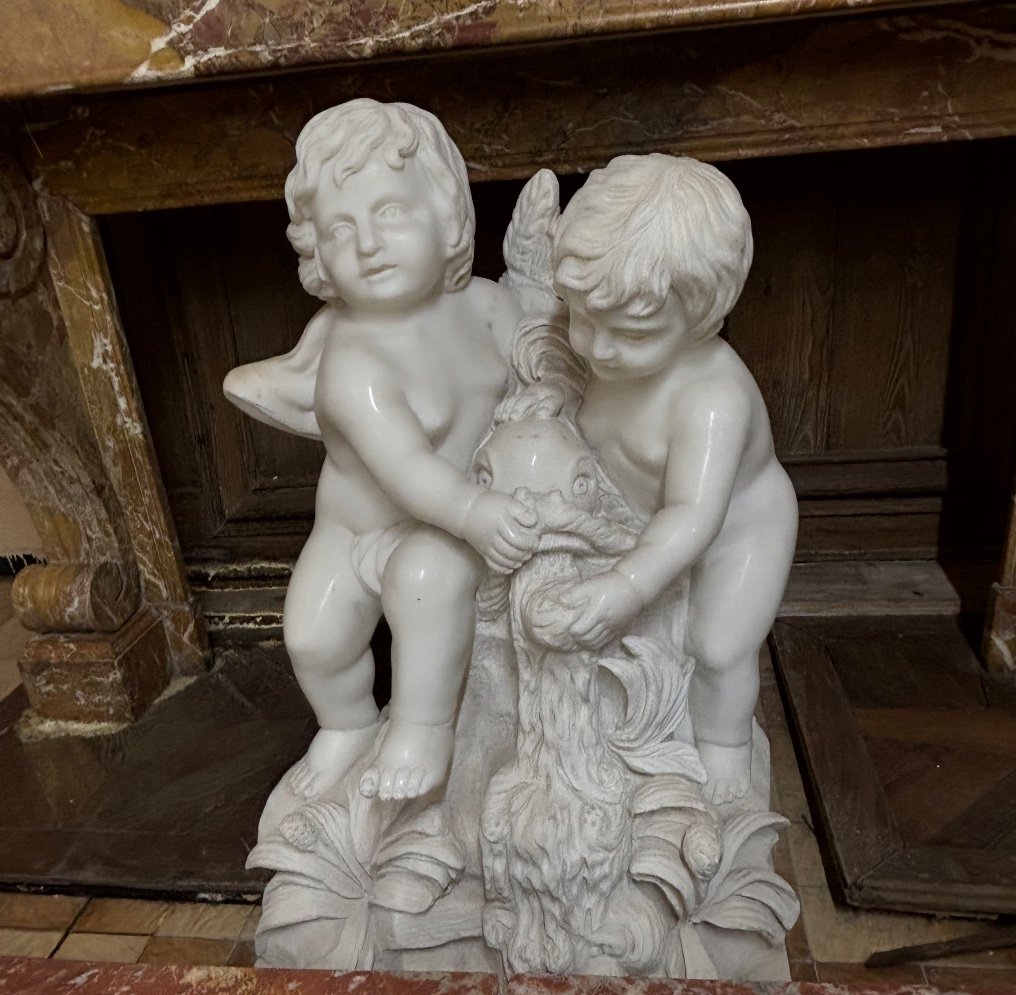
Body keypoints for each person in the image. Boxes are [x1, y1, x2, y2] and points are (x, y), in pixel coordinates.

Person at [224, 100, 535, 809]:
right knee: (312, 638)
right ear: (318, 256)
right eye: (341, 228)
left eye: (390, 213)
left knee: (429, 580)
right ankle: (348, 724)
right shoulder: (353, 362)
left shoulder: (485, 307)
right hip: (362, 529)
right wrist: (478, 510)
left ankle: (425, 728)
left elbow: (540, 370)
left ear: (448, 217)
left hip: (445, 530)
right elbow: (407, 471)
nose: (368, 244)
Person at [550, 153, 798, 803]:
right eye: (580, 317)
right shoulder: (607, 356)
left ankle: (724, 750)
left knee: (716, 647)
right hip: (634, 522)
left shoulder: (711, 398)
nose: (597, 348)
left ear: (700, 317)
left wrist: (625, 583)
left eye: (628, 333)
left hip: (731, 533)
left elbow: (692, 514)